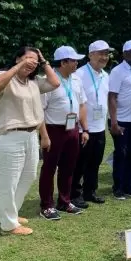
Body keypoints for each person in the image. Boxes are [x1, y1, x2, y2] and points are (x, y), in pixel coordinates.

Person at [0, 47, 59, 235]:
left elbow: (55, 82)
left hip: (30, 135)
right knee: (8, 181)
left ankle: (11, 213)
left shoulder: (34, 82)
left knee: (28, 176)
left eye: (34, 61)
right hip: (9, 137)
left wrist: (43, 61)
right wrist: (19, 65)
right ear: (17, 59)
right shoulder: (5, 76)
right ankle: (8, 224)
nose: (31, 63)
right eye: (27, 58)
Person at [39, 46, 88, 220]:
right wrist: (44, 135)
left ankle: (64, 201)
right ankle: (47, 205)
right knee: (49, 168)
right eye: (73, 60)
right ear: (63, 62)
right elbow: (40, 111)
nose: (77, 63)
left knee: (69, 167)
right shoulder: (49, 81)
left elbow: (82, 105)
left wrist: (84, 129)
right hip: (54, 129)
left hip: (72, 128)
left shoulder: (76, 79)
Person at [71, 41, 113, 207]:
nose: (104, 57)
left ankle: (90, 191)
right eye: (100, 53)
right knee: (79, 163)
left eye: (106, 54)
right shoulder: (79, 74)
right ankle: (75, 193)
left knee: (95, 162)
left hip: (100, 126)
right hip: (84, 128)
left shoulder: (105, 75)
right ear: (90, 55)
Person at [108, 40, 131, 200]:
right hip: (121, 119)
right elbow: (112, 97)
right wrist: (114, 122)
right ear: (124, 53)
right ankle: (118, 187)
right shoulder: (117, 71)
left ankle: (129, 185)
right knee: (121, 153)